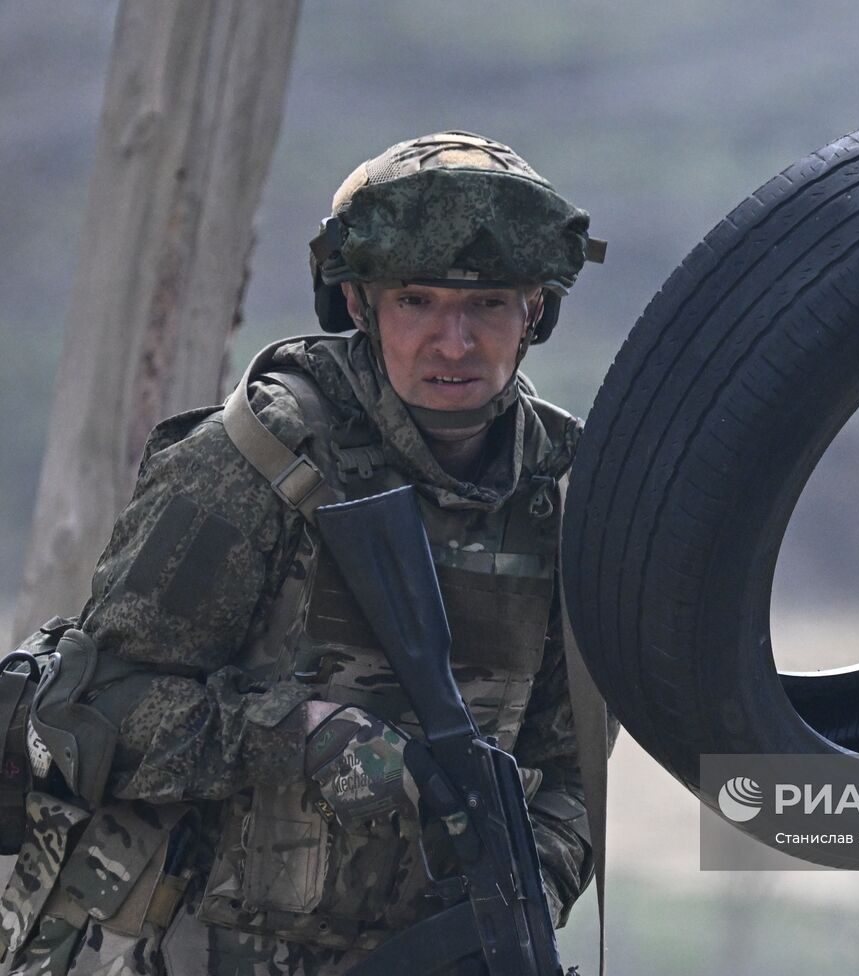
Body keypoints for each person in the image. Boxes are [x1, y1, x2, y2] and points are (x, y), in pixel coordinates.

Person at [0, 131, 608, 976]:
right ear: (358, 303)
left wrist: (522, 890)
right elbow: (84, 711)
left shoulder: (565, 501)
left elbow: (569, 777)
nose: (454, 342)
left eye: (489, 305)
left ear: (535, 312)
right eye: (417, 301)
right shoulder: (257, 461)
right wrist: (295, 735)